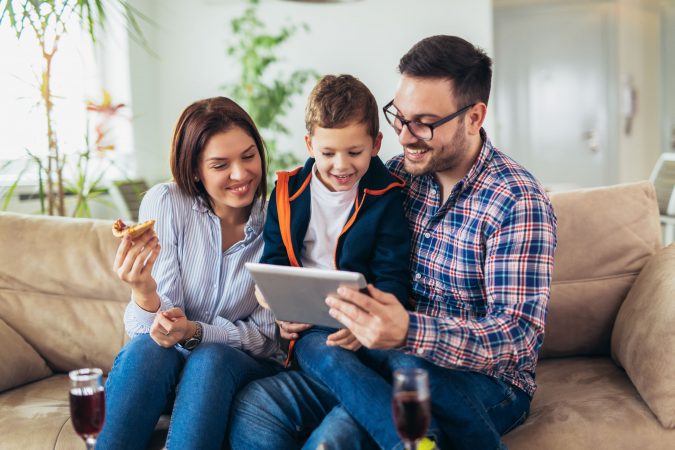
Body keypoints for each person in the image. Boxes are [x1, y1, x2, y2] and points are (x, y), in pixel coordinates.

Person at [228, 35, 557, 450]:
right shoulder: (398, 175)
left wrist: (408, 330)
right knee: (256, 405)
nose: (404, 136)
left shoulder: (517, 200)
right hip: (376, 352)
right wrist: (289, 304)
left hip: (481, 379)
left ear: (474, 117)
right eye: (399, 118)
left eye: (424, 123)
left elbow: (517, 337)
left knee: (341, 436)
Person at [97, 97, 281, 450]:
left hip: (234, 371)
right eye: (220, 164)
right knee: (146, 351)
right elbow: (148, 330)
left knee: (210, 357)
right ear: (196, 170)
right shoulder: (166, 203)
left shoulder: (279, 222)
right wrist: (144, 292)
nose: (241, 174)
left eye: (248, 156)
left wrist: (198, 333)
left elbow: (267, 338)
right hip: (167, 369)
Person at [257, 74, 411, 434]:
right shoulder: (285, 191)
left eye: (354, 152)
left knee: (408, 364)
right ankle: (413, 440)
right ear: (310, 145)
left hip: (370, 321)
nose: (341, 166)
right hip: (311, 330)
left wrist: (369, 325)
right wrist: (279, 310)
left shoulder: (387, 195)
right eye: (328, 153)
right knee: (329, 358)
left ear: (375, 144)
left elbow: (392, 275)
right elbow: (273, 263)